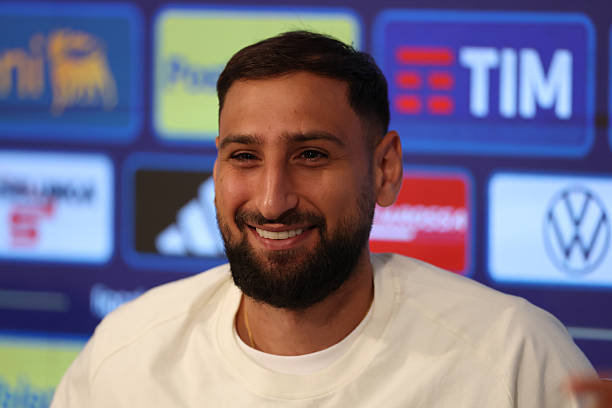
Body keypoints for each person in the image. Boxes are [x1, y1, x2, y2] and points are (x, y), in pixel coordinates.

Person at [51, 30, 598, 407]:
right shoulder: (125, 358)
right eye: (245, 156)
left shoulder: (513, 359)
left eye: (311, 155)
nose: (272, 201)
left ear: (384, 169)